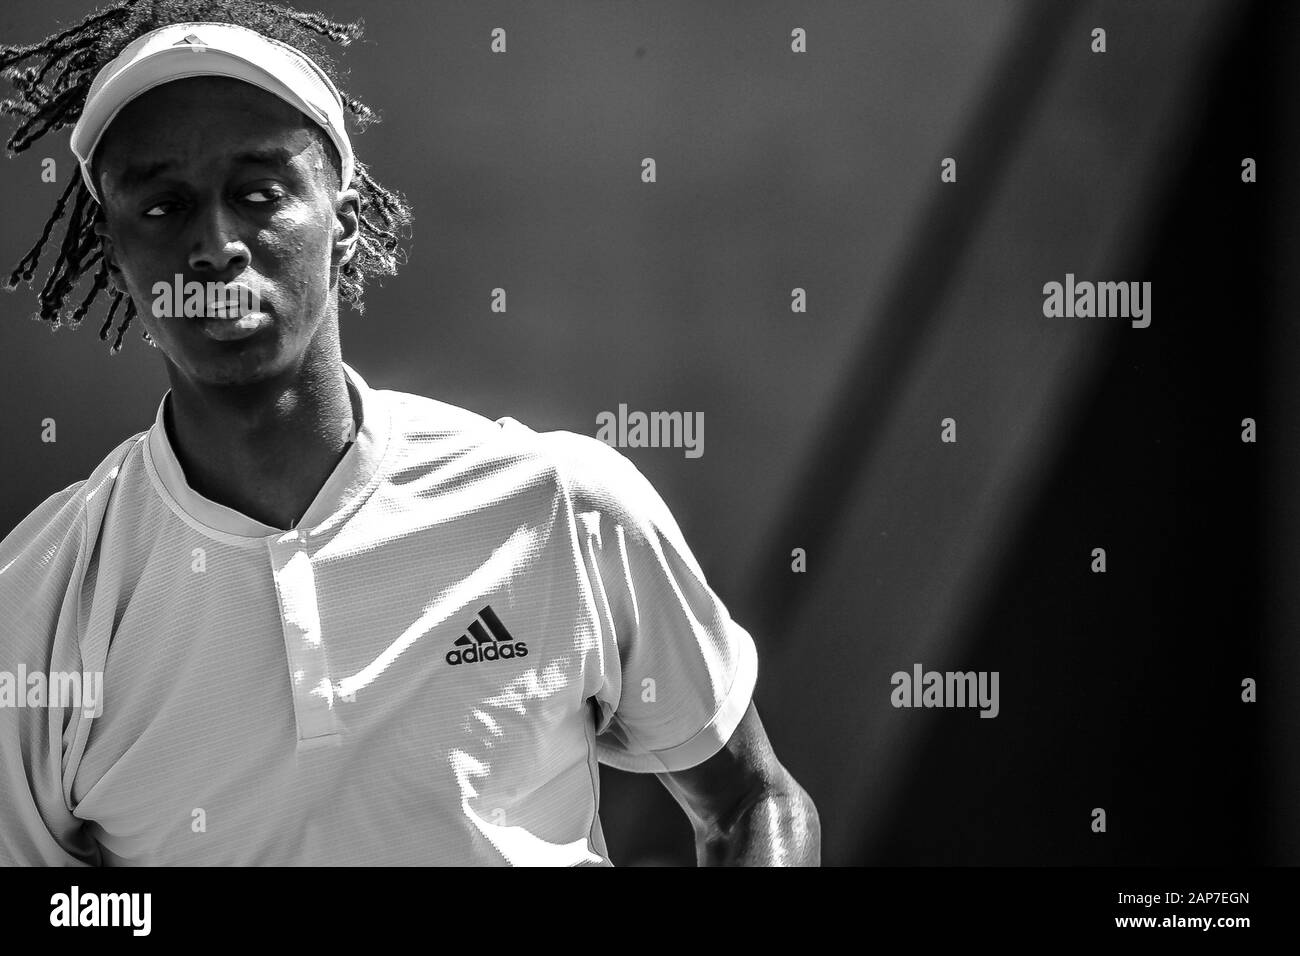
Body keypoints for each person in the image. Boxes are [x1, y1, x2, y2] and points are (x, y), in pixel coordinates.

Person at [0, 2, 819, 865]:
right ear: (113, 246)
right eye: (163, 206)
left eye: (258, 193)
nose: (216, 245)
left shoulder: (561, 504)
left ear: (342, 220)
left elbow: (751, 803)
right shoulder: (40, 601)